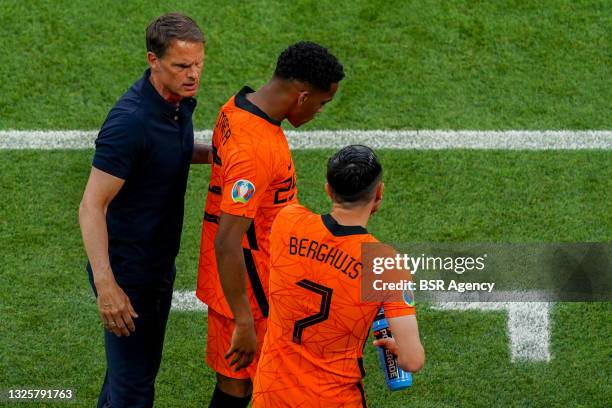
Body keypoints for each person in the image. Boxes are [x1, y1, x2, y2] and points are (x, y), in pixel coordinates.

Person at [196, 41, 345, 407]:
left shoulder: (237, 105)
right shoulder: (256, 150)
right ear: (302, 96)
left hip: (239, 280)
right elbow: (229, 241)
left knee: (238, 386)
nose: (319, 111)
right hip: (250, 288)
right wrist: (245, 320)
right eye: (322, 103)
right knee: (260, 388)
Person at [78, 13, 209, 408]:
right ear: (153, 60)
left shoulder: (176, 102)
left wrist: (225, 154)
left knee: (129, 379)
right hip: (128, 275)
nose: (193, 75)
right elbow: (91, 205)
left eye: (199, 63)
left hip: (156, 266)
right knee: (134, 391)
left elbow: (170, 152)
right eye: (182, 66)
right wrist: (107, 286)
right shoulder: (130, 123)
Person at [252, 145, 425, 407]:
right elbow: (412, 361)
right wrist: (398, 349)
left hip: (271, 393)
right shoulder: (385, 263)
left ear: (328, 189)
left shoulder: (287, 221)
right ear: (379, 193)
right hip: (335, 399)